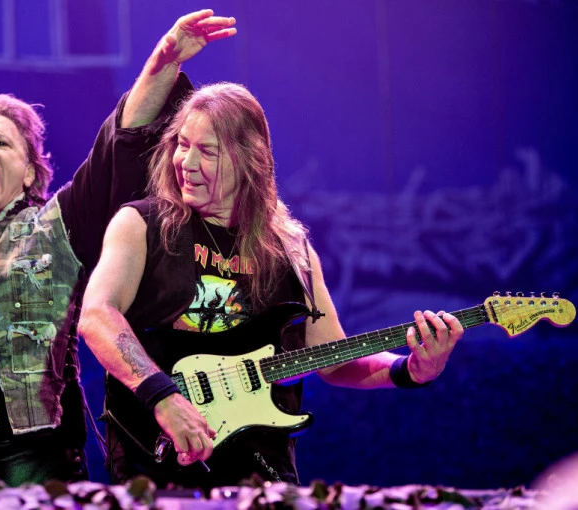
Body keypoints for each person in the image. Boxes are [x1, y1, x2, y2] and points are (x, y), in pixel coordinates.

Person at [0, 10, 237, 491]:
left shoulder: (58, 225)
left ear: (28, 171)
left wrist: (160, 66)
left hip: (45, 456)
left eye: (0, 143)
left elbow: (116, 146)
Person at [77, 82, 465, 490]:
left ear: (249, 160)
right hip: (156, 456)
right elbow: (97, 315)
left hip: (262, 467)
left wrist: (410, 370)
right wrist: (163, 397)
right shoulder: (141, 224)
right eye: (182, 144)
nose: (185, 162)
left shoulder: (291, 250)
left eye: (206, 151)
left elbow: (332, 360)